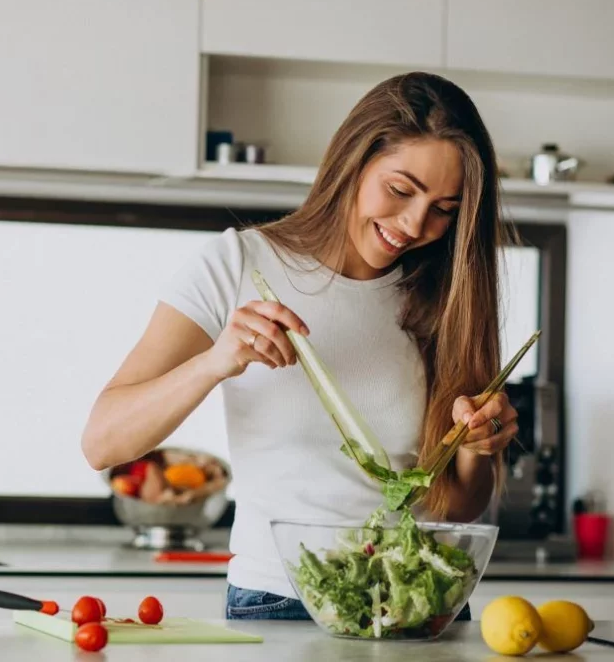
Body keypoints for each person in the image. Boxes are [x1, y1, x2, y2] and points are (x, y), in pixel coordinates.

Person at [81, 72, 518, 621]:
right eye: (400, 190)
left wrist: (478, 448)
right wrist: (215, 361)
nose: (414, 224)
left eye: (444, 209)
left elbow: (454, 505)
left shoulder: (445, 296)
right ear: (353, 163)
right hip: (281, 599)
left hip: (421, 603)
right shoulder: (239, 266)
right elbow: (103, 442)